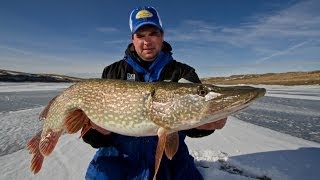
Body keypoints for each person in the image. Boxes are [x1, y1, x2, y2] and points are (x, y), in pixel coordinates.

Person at [83, 6, 227, 180]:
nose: (147, 41)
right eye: (141, 35)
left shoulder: (182, 72)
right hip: (118, 162)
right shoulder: (113, 73)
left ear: (162, 36)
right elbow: (95, 138)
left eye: (153, 33)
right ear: (132, 39)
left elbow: (192, 127)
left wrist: (204, 125)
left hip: (170, 163)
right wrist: (99, 132)